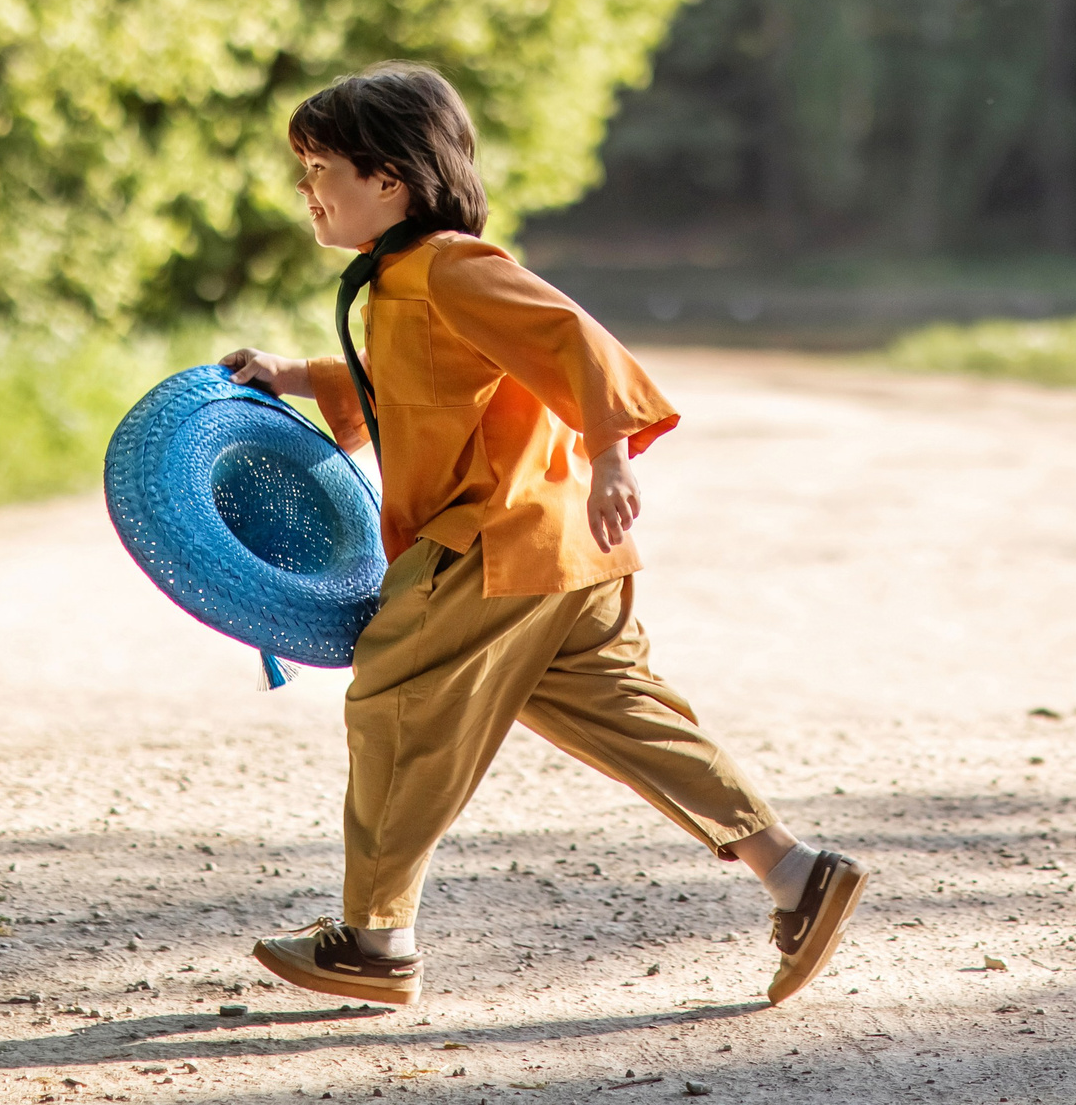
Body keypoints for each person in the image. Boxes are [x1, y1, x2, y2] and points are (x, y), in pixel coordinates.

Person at [222, 62, 867, 1010]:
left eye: (321, 168)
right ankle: (793, 871)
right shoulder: (401, 280)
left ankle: (375, 938)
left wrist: (613, 449)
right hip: (562, 554)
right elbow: (411, 389)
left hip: (494, 543)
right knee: (621, 713)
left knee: (396, 698)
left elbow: (577, 339)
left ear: (389, 179)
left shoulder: (451, 265)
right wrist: (296, 374)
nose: (306, 190)